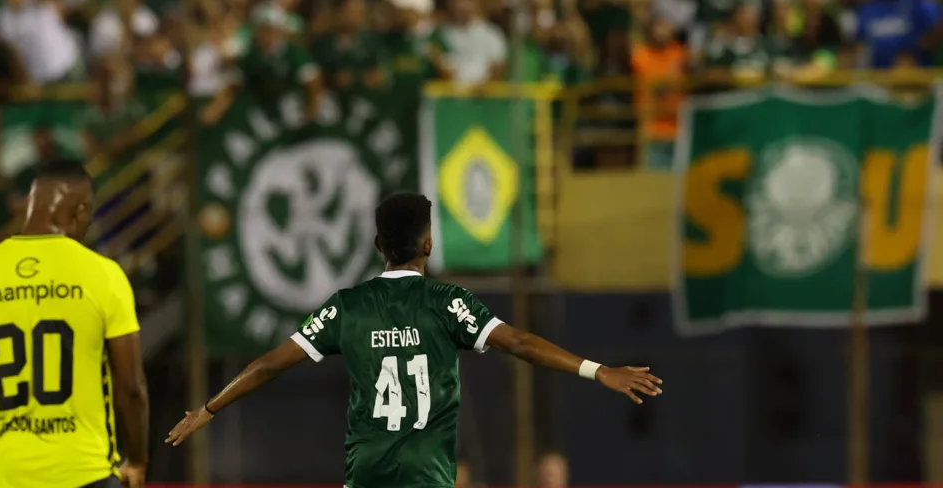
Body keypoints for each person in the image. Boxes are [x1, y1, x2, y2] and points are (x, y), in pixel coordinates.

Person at [167, 192, 662, 487]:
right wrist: (598, 370)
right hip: (428, 478)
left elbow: (270, 365)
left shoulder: (347, 306)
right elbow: (521, 344)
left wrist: (208, 409)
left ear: (379, 246)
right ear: (428, 244)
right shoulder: (448, 302)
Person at [0, 159, 150, 488]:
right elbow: (130, 388)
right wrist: (138, 460)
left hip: (8, 475)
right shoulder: (104, 275)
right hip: (86, 471)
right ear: (81, 209)